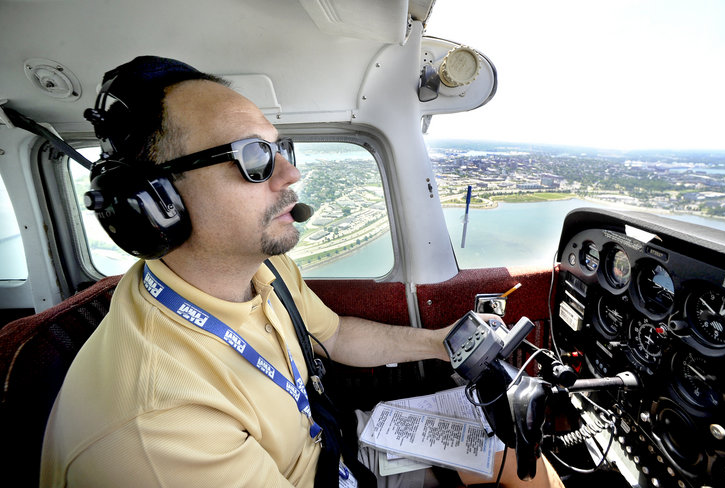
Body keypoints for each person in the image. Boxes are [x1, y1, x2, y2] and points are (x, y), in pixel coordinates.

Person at [40, 56, 563, 488]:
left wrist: (438, 342)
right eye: (253, 157)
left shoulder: (265, 269)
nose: (292, 173)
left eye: (278, 148)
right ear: (157, 203)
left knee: (521, 463)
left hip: (327, 447)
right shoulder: (158, 427)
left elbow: (335, 335)